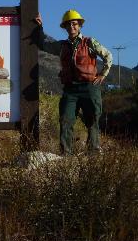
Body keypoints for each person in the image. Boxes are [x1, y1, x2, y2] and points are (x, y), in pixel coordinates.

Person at [36, 10, 112, 155]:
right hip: (70, 89)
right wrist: (39, 27)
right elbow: (43, 45)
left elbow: (108, 55)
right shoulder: (61, 45)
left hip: (90, 87)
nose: (71, 26)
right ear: (64, 27)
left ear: (79, 26)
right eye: (68, 24)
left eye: (74, 24)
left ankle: (93, 153)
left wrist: (103, 75)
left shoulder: (89, 42)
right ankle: (66, 155)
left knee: (92, 120)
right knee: (65, 120)